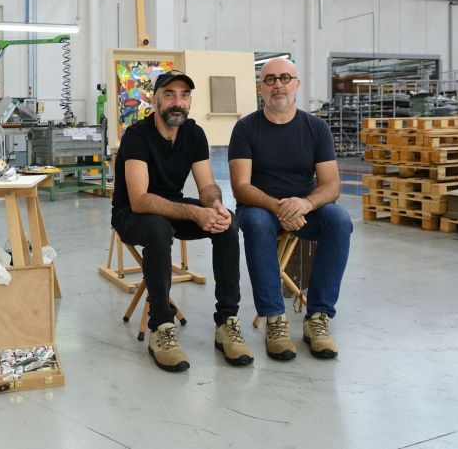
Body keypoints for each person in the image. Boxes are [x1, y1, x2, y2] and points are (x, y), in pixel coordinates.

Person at [111, 70, 253, 372]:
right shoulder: (137, 135)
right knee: (158, 228)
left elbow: (206, 186)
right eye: (169, 94)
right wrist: (194, 212)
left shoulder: (194, 133)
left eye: (184, 95)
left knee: (228, 224)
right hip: (131, 214)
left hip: (171, 205)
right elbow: (140, 199)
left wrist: (215, 206)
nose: (178, 102)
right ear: (155, 99)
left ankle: (226, 322)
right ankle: (161, 328)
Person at [228, 58, 352, 361]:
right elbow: (241, 187)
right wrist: (279, 208)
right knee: (256, 223)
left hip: (303, 207)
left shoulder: (316, 128)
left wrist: (306, 204)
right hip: (259, 207)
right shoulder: (245, 129)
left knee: (339, 220)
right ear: (260, 88)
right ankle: (275, 319)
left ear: (297, 84)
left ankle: (318, 317)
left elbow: (331, 185)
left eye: (285, 78)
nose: (277, 85)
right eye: (269, 79)